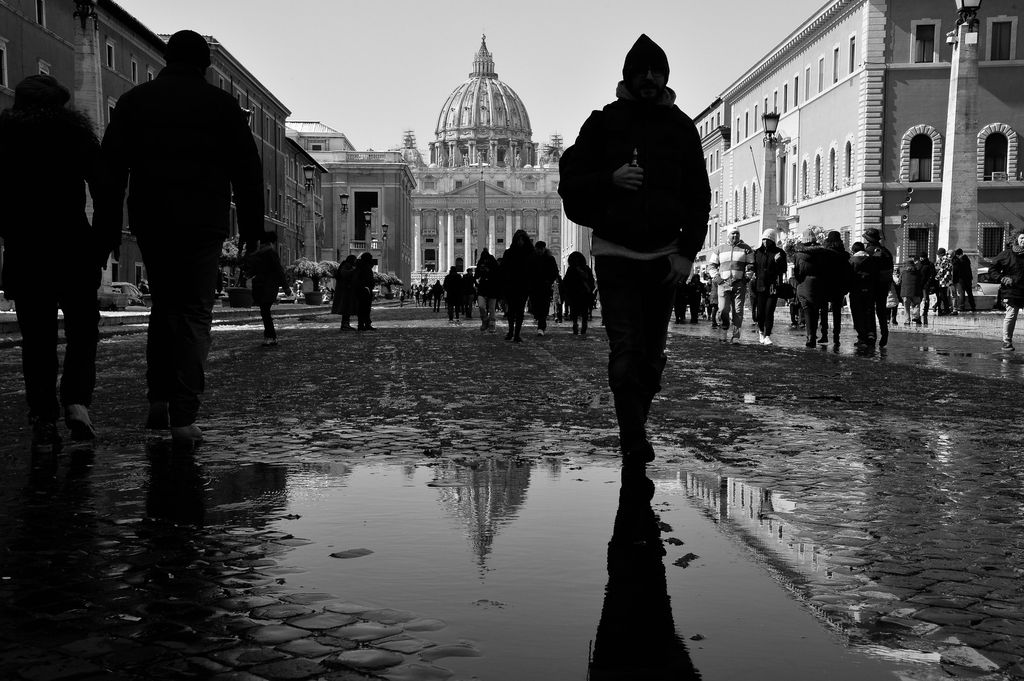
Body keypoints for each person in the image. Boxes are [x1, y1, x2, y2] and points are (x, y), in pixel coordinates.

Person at [98, 30, 264, 449]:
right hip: (203, 222)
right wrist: (252, 230)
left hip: (152, 219)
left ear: (166, 59)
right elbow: (248, 172)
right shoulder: (221, 105)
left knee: (163, 310)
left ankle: (157, 397)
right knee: (193, 314)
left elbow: (111, 170)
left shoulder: (136, 102)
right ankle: (183, 413)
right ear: (205, 65)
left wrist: (105, 230)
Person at [559, 33, 710, 466]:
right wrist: (610, 179)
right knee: (626, 353)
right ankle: (632, 438)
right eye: (641, 72)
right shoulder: (602, 123)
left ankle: (634, 427)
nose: (649, 78)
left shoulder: (681, 127)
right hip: (616, 258)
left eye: (656, 72)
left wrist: (688, 251)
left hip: (665, 258)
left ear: (665, 77)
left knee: (651, 358)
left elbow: (699, 196)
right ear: (628, 76)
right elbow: (570, 183)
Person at [0, 75, 113, 452]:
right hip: (73, 246)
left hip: (25, 248)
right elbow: (106, 192)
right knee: (83, 330)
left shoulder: (5, 137)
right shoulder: (75, 136)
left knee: (37, 339)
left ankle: (43, 415)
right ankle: (77, 401)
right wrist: (101, 245)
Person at [246, 231, 290, 346]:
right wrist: (286, 288)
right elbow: (279, 271)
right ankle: (270, 336)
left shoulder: (258, 253)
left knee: (265, 312)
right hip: (269, 286)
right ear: (273, 241)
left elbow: (251, 269)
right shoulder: (271, 253)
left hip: (261, 286)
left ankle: (270, 336)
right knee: (265, 312)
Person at [791, 228, 831, 348]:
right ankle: (815, 334)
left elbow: (797, 274)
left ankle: (810, 336)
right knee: (816, 311)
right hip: (820, 285)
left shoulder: (798, 255)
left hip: (804, 285)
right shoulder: (823, 254)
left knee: (807, 311)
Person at [714, 225, 754, 342]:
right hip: (723, 284)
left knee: (738, 310)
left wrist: (746, 278)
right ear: (728, 235)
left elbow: (751, 265)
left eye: (737, 233)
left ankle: (736, 335)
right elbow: (711, 265)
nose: (735, 235)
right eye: (733, 233)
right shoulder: (719, 249)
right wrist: (717, 278)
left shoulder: (746, 249)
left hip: (739, 284)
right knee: (723, 309)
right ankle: (724, 330)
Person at [751, 229, 787, 345]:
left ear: (772, 241)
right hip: (760, 286)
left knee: (769, 311)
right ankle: (761, 331)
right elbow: (754, 268)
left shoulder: (779, 253)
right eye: (764, 239)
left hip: (772, 287)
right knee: (760, 313)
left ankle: (767, 335)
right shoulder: (757, 253)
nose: (765, 242)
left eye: (768, 240)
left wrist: (778, 261)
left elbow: (783, 270)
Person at [989, 229, 1024, 350]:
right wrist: (1002, 278)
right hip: (1011, 290)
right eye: (1022, 238)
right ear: (1017, 240)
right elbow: (992, 269)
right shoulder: (1006, 254)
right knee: (1011, 315)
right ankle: (1007, 341)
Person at [862, 227, 895, 347]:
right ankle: (884, 333)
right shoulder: (886, 251)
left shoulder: (869, 251)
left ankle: (872, 335)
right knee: (881, 311)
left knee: (869, 310)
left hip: (871, 285)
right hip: (884, 285)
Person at [819, 230, 851, 348]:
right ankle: (836, 336)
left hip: (825, 284)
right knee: (837, 312)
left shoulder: (824, 253)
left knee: (823, 310)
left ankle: (824, 334)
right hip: (838, 286)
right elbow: (847, 272)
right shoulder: (844, 255)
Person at [500, 229, 534, 343]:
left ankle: (517, 333)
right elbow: (503, 269)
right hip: (511, 285)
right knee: (511, 310)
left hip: (523, 286)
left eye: (522, 240)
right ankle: (510, 331)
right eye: (518, 240)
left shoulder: (530, 253)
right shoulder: (509, 253)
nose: (520, 242)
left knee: (520, 311)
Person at [561, 251, 597, 337]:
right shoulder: (586, 268)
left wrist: (567, 292)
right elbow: (591, 281)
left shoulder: (571, 269)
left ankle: (575, 324)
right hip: (584, 293)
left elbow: (566, 282)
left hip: (575, 294)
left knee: (574, 311)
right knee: (584, 311)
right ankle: (583, 326)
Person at [528, 240, 560, 335]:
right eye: (537, 249)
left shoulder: (550, 259)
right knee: (535, 306)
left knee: (544, 306)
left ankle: (541, 326)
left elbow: (555, 272)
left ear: (543, 249)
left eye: (540, 249)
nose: (539, 251)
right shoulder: (532, 259)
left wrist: (549, 281)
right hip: (534, 287)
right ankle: (539, 319)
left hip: (545, 287)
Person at [474, 249, 501, 332]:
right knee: (481, 306)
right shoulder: (480, 264)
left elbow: (497, 275)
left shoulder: (493, 265)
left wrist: (489, 271)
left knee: (492, 309)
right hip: (482, 288)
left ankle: (492, 325)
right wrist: (477, 281)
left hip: (492, 288)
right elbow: (476, 275)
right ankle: (485, 320)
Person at [331, 254, 358, 330]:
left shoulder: (347, 265)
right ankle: (345, 324)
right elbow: (344, 273)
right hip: (344, 291)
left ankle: (346, 324)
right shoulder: (345, 266)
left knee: (347, 308)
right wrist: (354, 270)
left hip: (346, 290)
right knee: (345, 308)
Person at [899, 255, 923, 326]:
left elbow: (899, 282)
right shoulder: (918, 272)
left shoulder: (903, 272)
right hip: (915, 292)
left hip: (905, 293)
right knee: (916, 304)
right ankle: (916, 317)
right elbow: (920, 281)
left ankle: (907, 321)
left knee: (906, 307)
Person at [354, 252, 375, 330]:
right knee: (363, 308)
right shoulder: (362, 266)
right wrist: (365, 286)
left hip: (366, 289)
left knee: (366, 308)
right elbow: (361, 278)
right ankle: (361, 325)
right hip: (364, 290)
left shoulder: (364, 266)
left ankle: (366, 324)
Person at [952, 248, 976, 313]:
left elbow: (956, 268)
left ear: (958, 255)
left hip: (961, 279)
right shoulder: (967, 259)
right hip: (968, 278)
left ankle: (961, 306)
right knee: (970, 293)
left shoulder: (959, 261)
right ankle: (973, 306)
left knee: (961, 293)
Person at [917, 251, 936, 325]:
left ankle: (925, 310)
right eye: (920, 257)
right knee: (920, 298)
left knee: (926, 298)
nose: (921, 259)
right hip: (920, 284)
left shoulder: (930, 264)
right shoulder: (920, 264)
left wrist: (928, 283)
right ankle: (919, 311)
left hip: (926, 284)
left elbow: (932, 274)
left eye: (922, 257)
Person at [934, 247, 954, 315]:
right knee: (943, 295)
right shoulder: (944, 259)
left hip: (944, 280)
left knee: (943, 295)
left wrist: (936, 277)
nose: (938, 256)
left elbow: (942, 270)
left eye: (938, 254)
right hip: (945, 279)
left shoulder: (945, 260)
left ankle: (946, 309)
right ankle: (945, 309)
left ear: (941, 254)